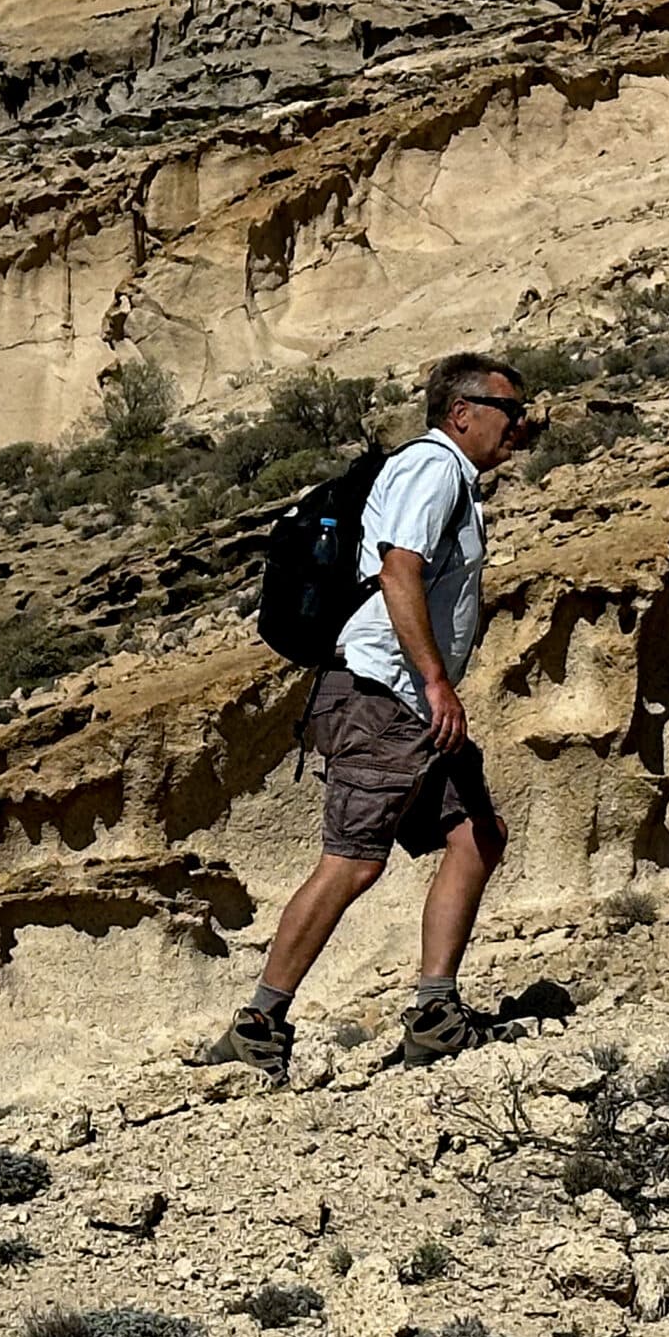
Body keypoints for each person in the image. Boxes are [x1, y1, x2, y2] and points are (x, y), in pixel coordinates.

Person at [198, 351, 539, 1077]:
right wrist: (435, 680)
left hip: (409, 701)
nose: (522, 425)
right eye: (511, 411)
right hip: (383, 695)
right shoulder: (433, 467)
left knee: (478, 834)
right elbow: (399, 570)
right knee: (352, 863)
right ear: (462, 413)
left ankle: (436, 1014)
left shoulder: (453, 479)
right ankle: (259, 1023)